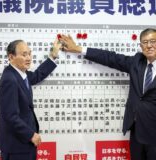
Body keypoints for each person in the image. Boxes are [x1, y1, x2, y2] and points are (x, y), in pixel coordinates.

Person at [60, 28, 156, 160]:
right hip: (137, 132)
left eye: (153, 41)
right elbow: (111, 58)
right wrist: (78, 49)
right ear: (140, 46)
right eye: (145, 42)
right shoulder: (137, 62)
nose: (149, 45)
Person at [0, 39, 61, 160]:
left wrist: (53, 56)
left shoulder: (20, 74)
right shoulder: (9, 80)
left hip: (23, 144)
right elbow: (10, 116)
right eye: (24, 54)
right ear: (11, 57)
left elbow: (37, 75)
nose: (28, 58)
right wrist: (30, 135)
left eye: (30, 54)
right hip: (16, 147)